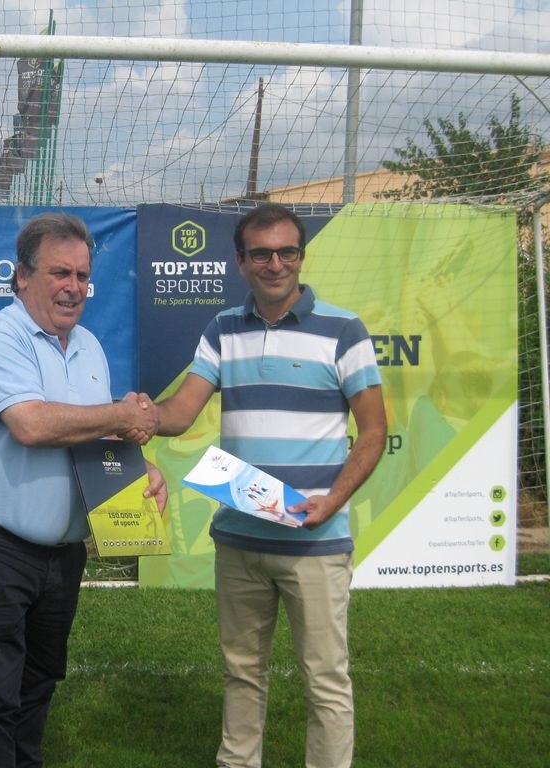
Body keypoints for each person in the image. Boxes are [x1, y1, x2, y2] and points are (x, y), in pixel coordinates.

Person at [152, 203, 387, 768]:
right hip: (240, 538)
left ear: (301, 257)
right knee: (241, 671)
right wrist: (125, 416)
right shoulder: (222, 328)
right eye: (261, 254)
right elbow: (179, 413)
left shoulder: (344, 330)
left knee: (324, 679)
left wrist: (333, 501)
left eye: (286, 252)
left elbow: (374, 431)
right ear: (241, 262)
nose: (275, 264)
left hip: (315, 542)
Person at [0, 211, 166, 768]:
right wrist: (121, 413)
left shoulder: (88, 345)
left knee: (39, 683)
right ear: (22, 276)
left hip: (62, 553)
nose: (74, 287)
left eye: (82, 275)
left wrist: (139, 467)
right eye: (60, 272)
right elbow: (32, 424)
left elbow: (94, 434)